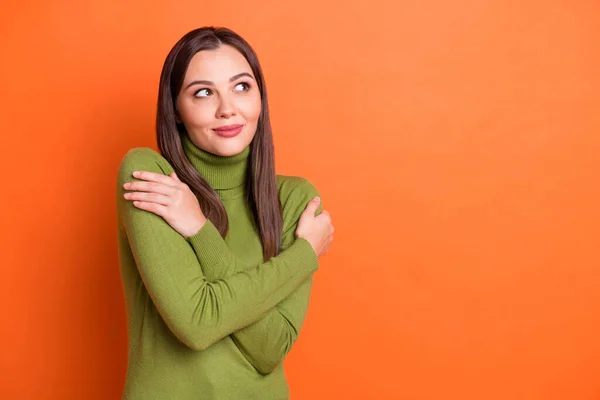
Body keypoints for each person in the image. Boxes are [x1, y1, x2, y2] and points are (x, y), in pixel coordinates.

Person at [115, 26, 334, 399]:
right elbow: (197, 324)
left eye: (241, 86)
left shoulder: (294, 199)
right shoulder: (152, 178)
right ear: (176, 110)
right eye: (203, 92)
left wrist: (198, 230)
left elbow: (271, 349)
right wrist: (302, 258)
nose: (227, 108)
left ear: (260, 98)